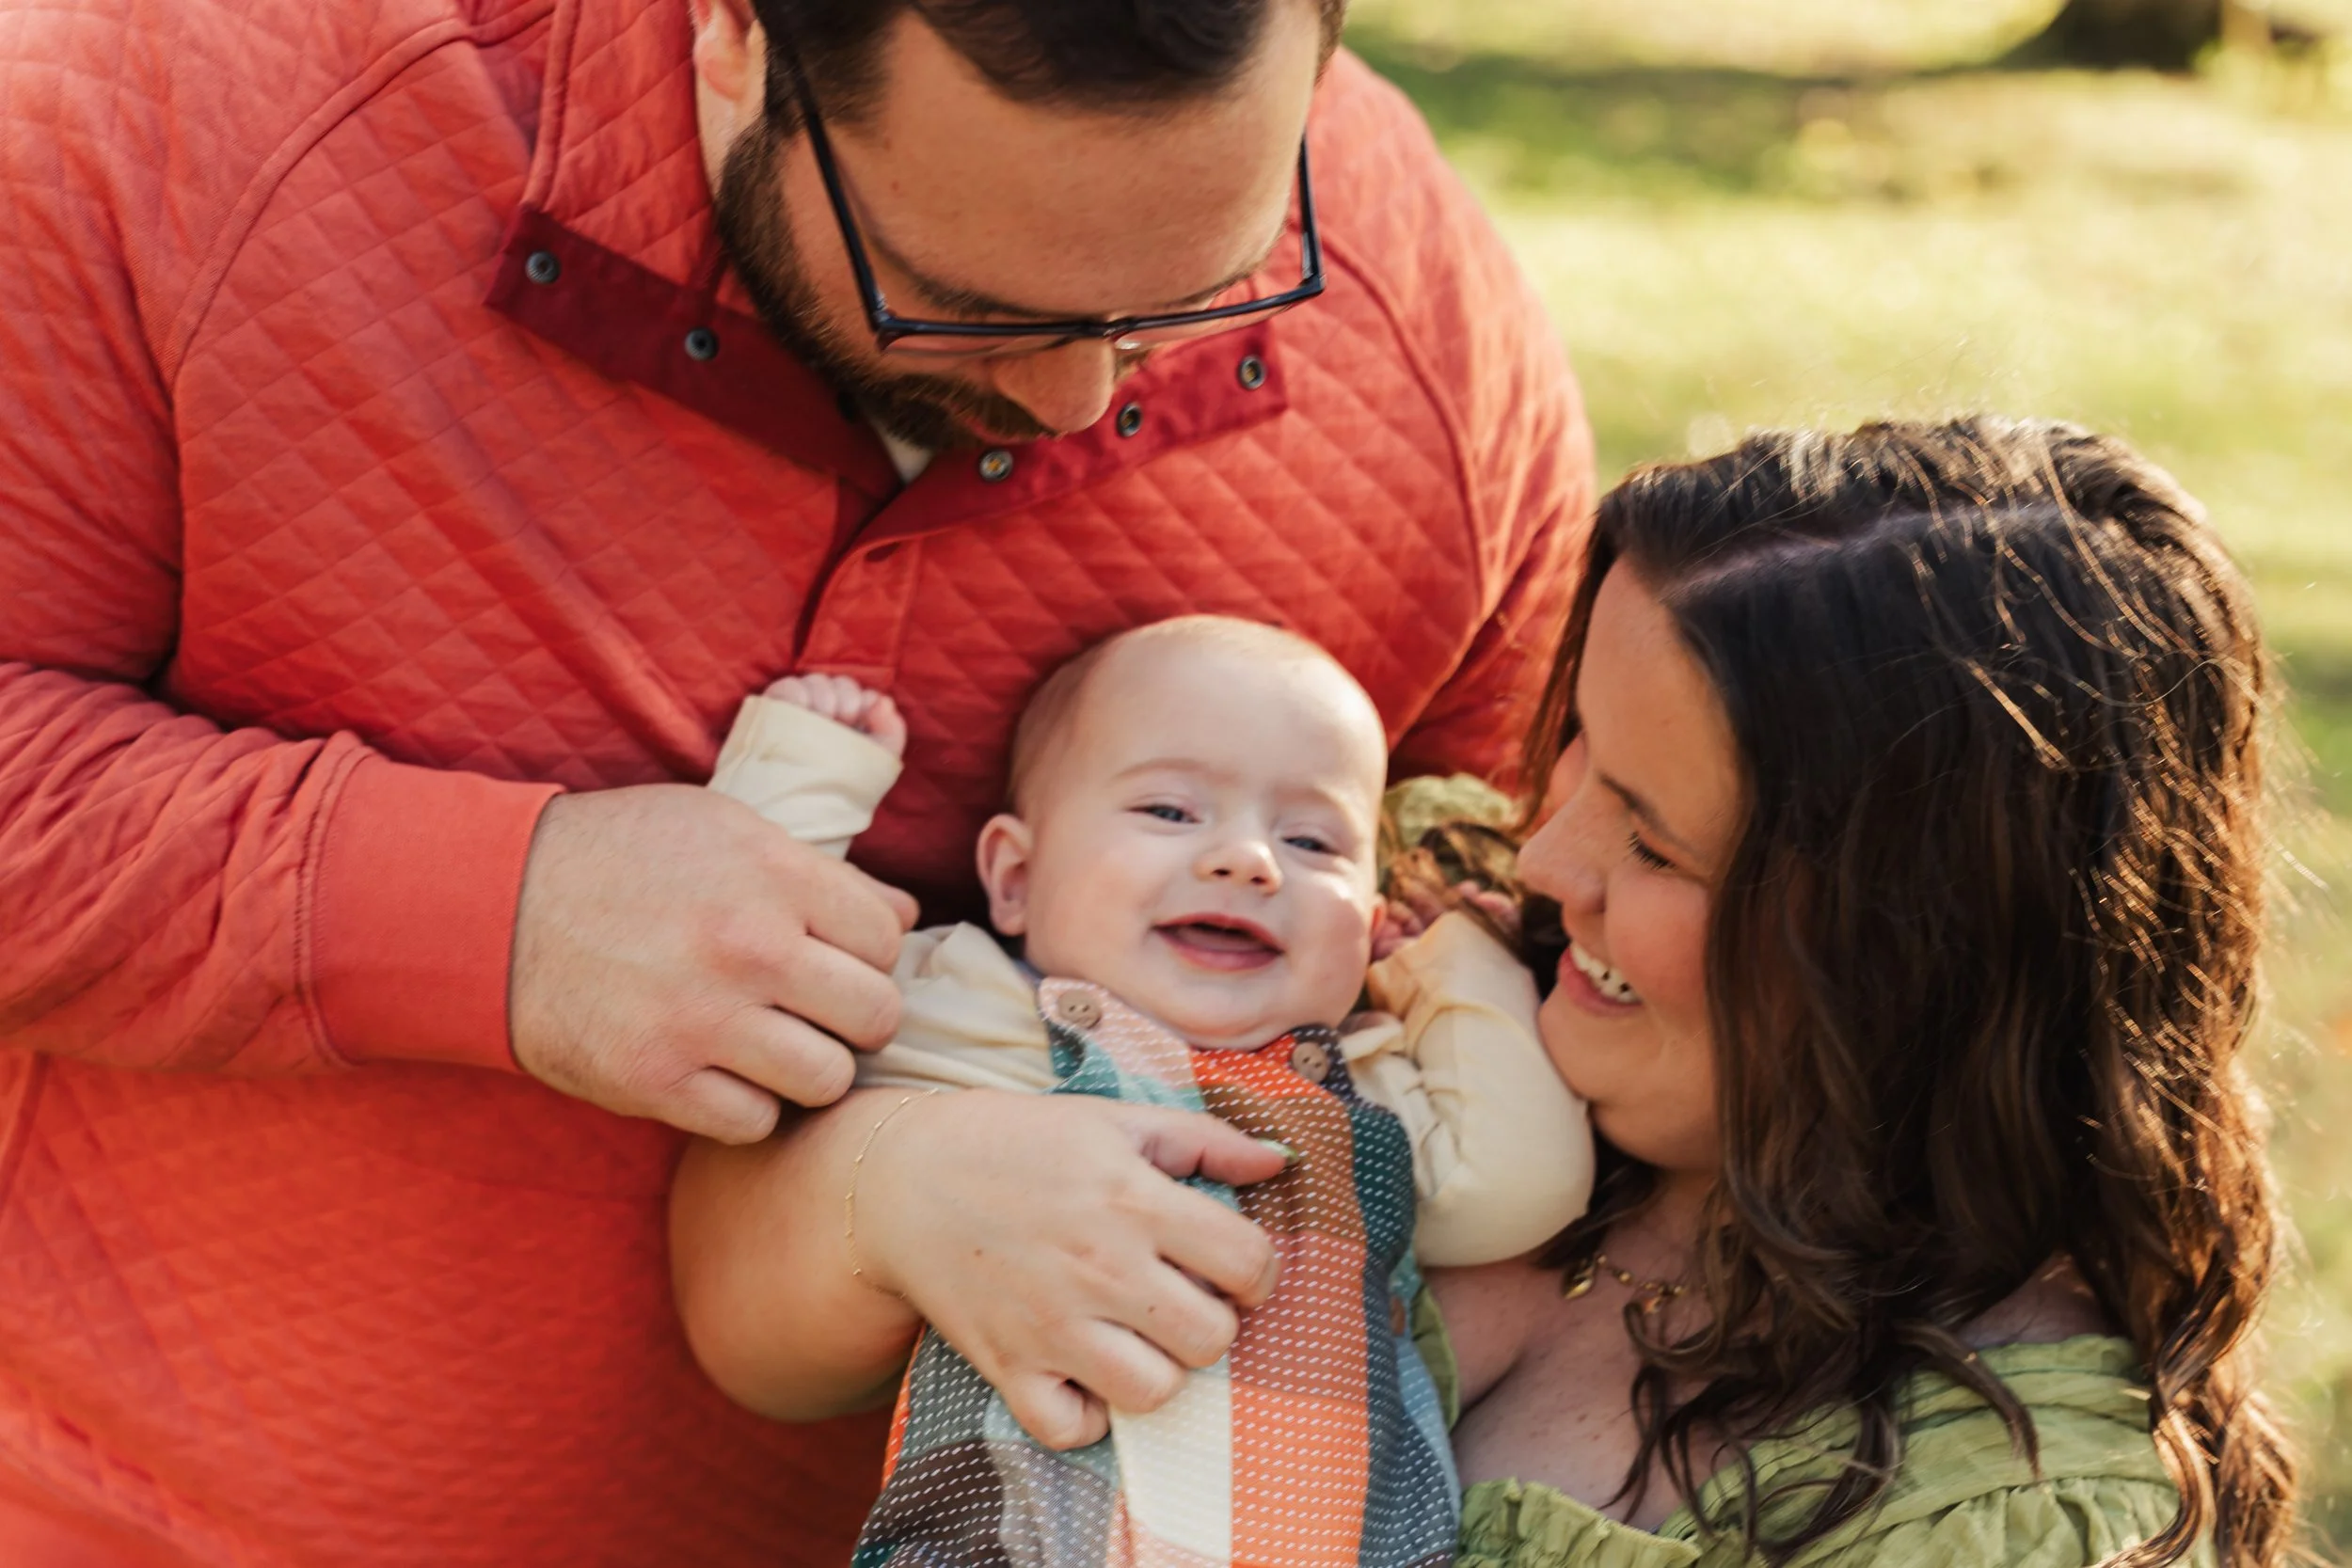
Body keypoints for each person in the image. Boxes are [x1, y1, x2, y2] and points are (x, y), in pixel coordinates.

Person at [0, 0, 1591, 1561]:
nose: (1083, 399)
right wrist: (499, 912)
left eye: (1200, 294)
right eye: (964, 303)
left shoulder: (1420, 310)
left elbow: (1594, 893)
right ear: (734, 33)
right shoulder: (160, 121)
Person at [1438, 420, 2297, 1565]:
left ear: (1915, 954)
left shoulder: (1995, 1515)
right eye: (1582, 742)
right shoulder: (1382, 936)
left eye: (1652, 845)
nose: (1543, 859)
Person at [672, 617, 1590, 1567]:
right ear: (1017, 877)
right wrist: (803, 771)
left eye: (1311, 838)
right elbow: (758, 961)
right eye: (1170, 811)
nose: (1248, 860)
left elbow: (1516, 1184)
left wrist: (1454, 950)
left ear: (1366, 915)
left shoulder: (1365, 1085)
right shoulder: (962, 1003)